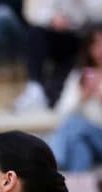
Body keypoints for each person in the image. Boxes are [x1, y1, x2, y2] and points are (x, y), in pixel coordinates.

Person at [13, 0, 102, 111]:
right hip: (62, 41)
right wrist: (52, 18)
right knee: (35, 34)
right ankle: (35, 87)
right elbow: (33, 14)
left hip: (82, 42)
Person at [50, 25, 102, 169]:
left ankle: (54, 159)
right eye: (96, 44)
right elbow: (62, 112)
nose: (100, 49)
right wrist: (82, 97)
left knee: (74, 123)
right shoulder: (79, 76)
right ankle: (74, 190)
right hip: (85, 136)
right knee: (80, 147)